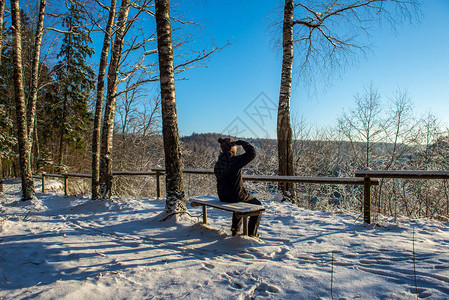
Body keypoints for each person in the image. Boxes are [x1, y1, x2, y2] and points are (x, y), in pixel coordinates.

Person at [214, 137, 262, 236]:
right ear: (232, 149)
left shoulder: (218, 163)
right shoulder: (234, 161)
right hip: (236, 196)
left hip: (223, 196)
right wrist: (244, 143)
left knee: (239, 204)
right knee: (258, 206)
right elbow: (252, 154)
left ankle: (235, 230)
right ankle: (251, 234)